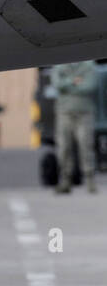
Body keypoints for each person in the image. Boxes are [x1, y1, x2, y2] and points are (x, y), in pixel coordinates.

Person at [51, 61, 98, 194]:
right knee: (64, 147)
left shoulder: (89, 65)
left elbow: (90, 86)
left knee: (86, 146)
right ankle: (66, 180)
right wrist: (74, 81)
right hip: (65, 112)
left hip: (84, 113)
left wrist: (67, 85)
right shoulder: (60, 65)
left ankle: (90, 180)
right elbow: (57, 84)